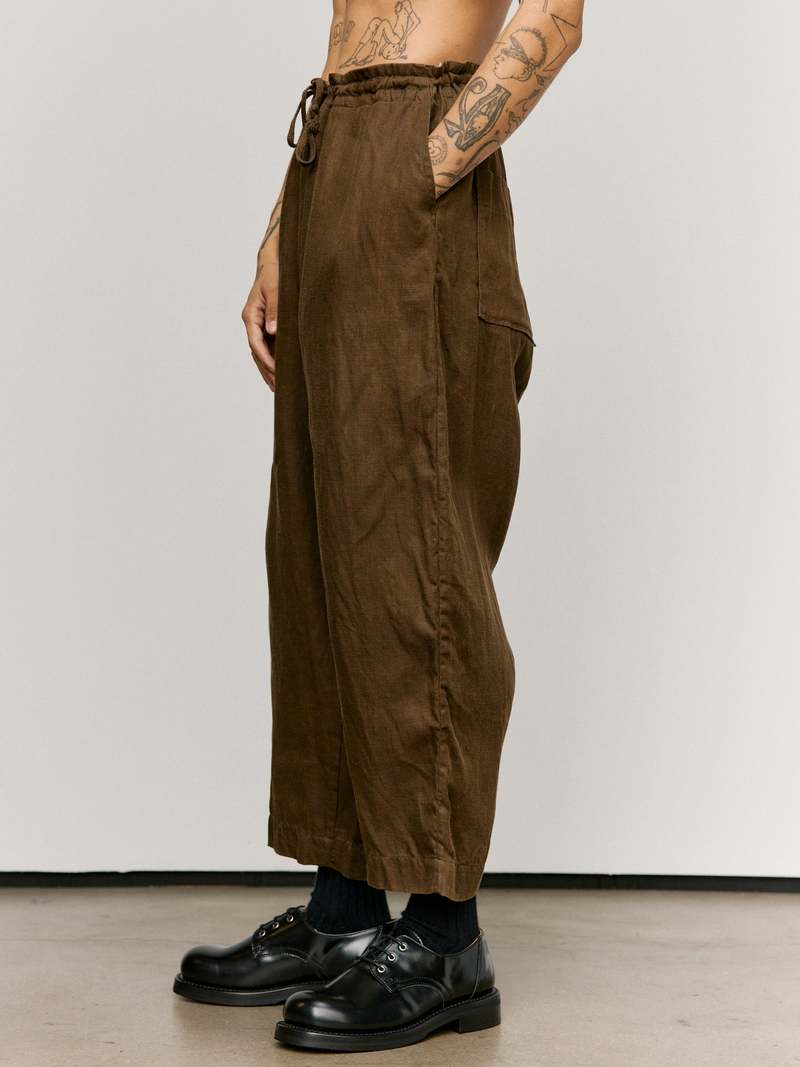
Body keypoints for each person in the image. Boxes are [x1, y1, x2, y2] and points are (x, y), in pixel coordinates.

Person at [174, 0, 583, 1053]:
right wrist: (288, 219)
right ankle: (345, 912)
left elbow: (556, 14)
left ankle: (446, 938)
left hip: (419, 145)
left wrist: (419, 162)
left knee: (416, 554)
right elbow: (350, 38)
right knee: (324, 550)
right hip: (332, 143)